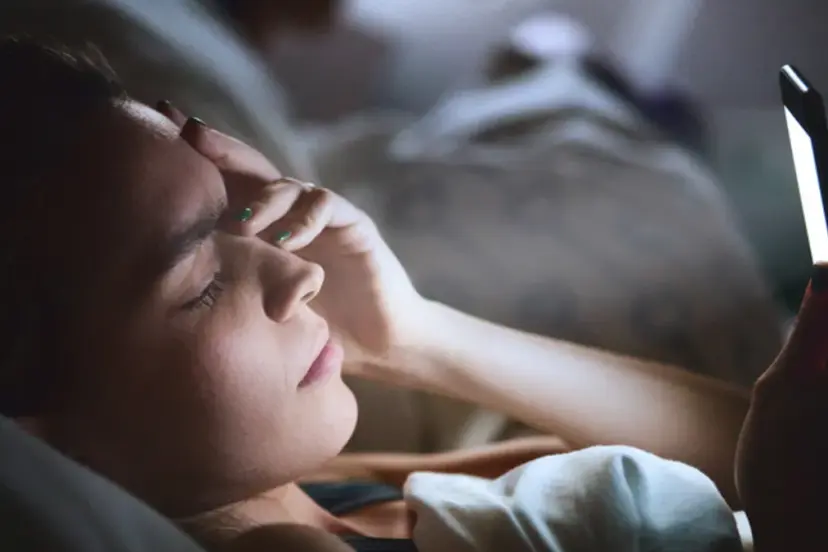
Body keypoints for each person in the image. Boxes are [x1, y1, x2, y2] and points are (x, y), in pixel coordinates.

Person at [0, 37, 767, 552]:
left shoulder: (320, 493)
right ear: (39, 434)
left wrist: (412, 337)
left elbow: (767, 459)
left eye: (238, 221)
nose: (301, 274)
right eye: (202, 285)